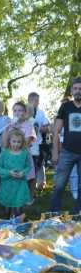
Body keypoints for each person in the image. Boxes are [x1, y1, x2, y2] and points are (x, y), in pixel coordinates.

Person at [51, 77, 81, 213]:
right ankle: (54, 213)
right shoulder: (65, 106)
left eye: (80, 89)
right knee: (59, 185)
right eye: (75, 88)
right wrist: (55, 152)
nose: (78, 91)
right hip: (67, 152)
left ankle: (78, 214)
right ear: (71, 91)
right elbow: (56, 131)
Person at [0, 129, 31, 218]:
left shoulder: (24, 153)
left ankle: (18, 226)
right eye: (14, 141)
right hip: (7, 184)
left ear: (22, 142)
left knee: (18, 208)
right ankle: (7, 226)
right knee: (7, 210)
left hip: (20, 184)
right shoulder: (4, 153)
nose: (16, 144)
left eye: (19, 142)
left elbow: (28, 166)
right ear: (9, 141)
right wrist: (9, 172)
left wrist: (23, 172)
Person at [28, 92, 50, 191]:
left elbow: (46, 126)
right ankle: (30, 185)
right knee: (29, 165)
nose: (37, 102)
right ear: (29, 100)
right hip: (26, 144)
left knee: (39, 164)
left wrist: (40, 128)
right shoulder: (24, 111)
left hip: (39, 142)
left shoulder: (41, 113)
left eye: (38, 100)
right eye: (35, 100)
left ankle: (40, 184)